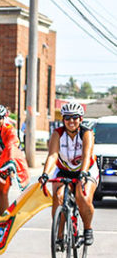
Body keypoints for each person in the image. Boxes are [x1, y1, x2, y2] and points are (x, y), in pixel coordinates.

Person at [38, 102, 97, 246]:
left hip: (86, 169)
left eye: (75, 118)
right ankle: (59, 237)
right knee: (58, 198)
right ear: (63, 119)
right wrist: (45, 174)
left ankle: (88, 229)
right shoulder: (58, 134)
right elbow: (52, 156)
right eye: (67, 118)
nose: (71, 121)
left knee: (82, 196)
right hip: (64, 170)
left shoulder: (87, 133)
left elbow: (86, 155)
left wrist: (83, 174)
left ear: (80, 119)